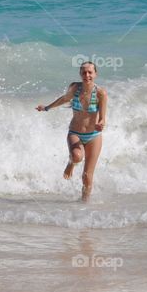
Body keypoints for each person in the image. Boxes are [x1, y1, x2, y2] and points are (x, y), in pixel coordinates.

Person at [36, 62, 108, 202]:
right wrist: (46, 108)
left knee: (87, 176)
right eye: (84, 72)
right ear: (80, 74)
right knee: (76, 156)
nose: (87, 75)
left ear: (95, 74)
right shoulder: (75, 88)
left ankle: (84, 202)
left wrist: (101, 123)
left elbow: (103, 118)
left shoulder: (101, 93)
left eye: (90, 72)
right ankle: (71, 163)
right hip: (75, 133)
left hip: (94, 136)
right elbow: (64, 99)